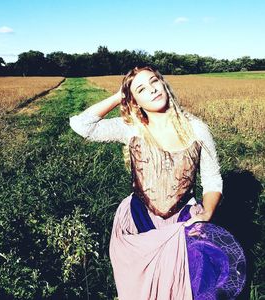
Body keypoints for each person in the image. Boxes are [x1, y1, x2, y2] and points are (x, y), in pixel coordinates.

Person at [69, 66, 246, 300]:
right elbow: (82, 126)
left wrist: (207, 213)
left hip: (182, 221)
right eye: (141, 89)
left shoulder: (197, 131)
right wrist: (121, 95)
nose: (152, 90)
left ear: (164, 84)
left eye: (154, 82)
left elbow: (213, 180)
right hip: (138, 220)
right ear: (135, 101)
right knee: (140, 290)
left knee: (180, 288)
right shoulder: (132, 128)